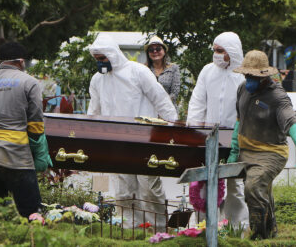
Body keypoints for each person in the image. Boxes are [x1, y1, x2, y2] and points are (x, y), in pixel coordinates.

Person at [87, 34, 178, 230]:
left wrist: (175, 129)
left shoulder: (137, 72)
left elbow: (161, 99)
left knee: (149, 190)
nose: (100, 63)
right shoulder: (97, 80)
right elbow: (93, 112)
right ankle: (129, 233)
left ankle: (160, 233)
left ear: (112, 54)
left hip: (145, 141)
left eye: (102, 59)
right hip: (116, 143)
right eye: (97, 60)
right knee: (123, 192)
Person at [230, 50, 296, 239]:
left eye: (252, 76)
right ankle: (271, 230)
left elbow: (292, 122)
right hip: (247, 150)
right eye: (246, 74)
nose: (248, 78)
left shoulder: (278, 97)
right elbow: (238, 120)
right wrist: (234, 150)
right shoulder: (243, 89)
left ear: (264, 76)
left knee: (253, 186)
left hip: (271, 152)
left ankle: (259, 235)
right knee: (262, 190)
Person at [0, 42, 52, 230]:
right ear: (21, 62)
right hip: (15, 157)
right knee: (31, 211)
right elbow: (35, 125)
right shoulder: (29, 82)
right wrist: (38, 153)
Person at [187, 32, 249, 230]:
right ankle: (205, 229)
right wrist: (194, 132)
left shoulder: (244, 76)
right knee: (203, 183)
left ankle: (236, 229)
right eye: (214, 50)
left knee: (234, 185)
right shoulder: (207, 71)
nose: (216, 55)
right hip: (208, 138)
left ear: (231, 52)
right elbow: (197, 101)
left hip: (235, 139)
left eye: (220, 51)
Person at [144, 36, 181, 106]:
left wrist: (162, 105)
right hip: (148, 110)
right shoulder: (144, 69)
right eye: (151, 50)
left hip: (168, 110)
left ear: (164, 51)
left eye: (158, 49)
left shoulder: (174, 68)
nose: (155, 51)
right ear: (148, 53)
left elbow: (175, 93)